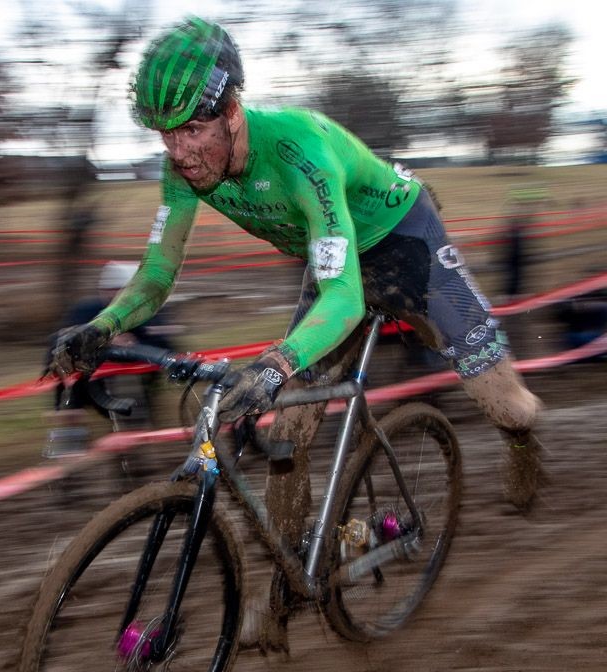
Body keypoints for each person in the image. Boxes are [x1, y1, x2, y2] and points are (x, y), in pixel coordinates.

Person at [48, 16, 543, 526]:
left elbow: (345, 299)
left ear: (232, 112)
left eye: (193, 130)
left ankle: (522, 437)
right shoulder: (183, 170)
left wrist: (276, 365)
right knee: (287, 436)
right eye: (166, 135)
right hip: (334, 258)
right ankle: (288, 588)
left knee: (506, 406)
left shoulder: (298, 150)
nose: (180, 152)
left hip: (404, 241)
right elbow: (158, 273)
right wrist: (103, 326)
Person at [43, 260, 161, 458]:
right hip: (85, 385)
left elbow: (165, 346)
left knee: (134, 416)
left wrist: (135, 345)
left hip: (132, 388)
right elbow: (58, 346)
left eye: (120, 291)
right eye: (108, 290)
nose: (112, 295)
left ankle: (135, 454)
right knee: (70, 406)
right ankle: (67, 458)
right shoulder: (85, 311)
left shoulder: (146, 314)